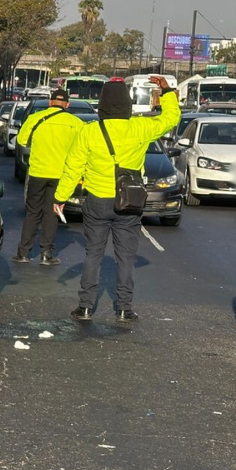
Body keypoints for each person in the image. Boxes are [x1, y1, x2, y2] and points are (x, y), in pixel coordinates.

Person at [54, 76, 180, 322]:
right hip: (129, 201)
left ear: (101, 105)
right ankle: (124, 308)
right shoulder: (140, 128)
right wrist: (166, 91)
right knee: (126, 257)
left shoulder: (88, 131)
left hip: (97, 200)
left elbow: (73, 167)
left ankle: (86, 306)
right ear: (127, 104)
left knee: (93, 254)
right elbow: (171, 119)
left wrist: (61, 196)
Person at [13, 89, 83, 266]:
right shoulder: (76, 123)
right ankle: (46, 254)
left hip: (37, 173)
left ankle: (23, 253)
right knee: (52, 214)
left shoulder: (35, 118)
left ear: (50, 102)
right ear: (67, 104)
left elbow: (21, 141)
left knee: (32, 213)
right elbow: (83, 148)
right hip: (60, 176)